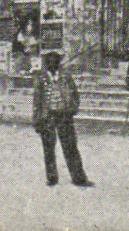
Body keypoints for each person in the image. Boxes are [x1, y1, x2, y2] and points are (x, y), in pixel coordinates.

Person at [31, 50, 92, 187]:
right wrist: (36, 120)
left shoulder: (66, 77)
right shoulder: (41, 79)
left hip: (64, 115)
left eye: (55, 61)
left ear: (59, 63)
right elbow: (37, 101)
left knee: (70, 146)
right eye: (49, 61)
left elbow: (75, 94)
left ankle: (79, 178)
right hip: (47, 117)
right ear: (46, 63)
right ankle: (52, 177)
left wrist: (72, 108)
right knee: (48, 149)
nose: (52, 64)